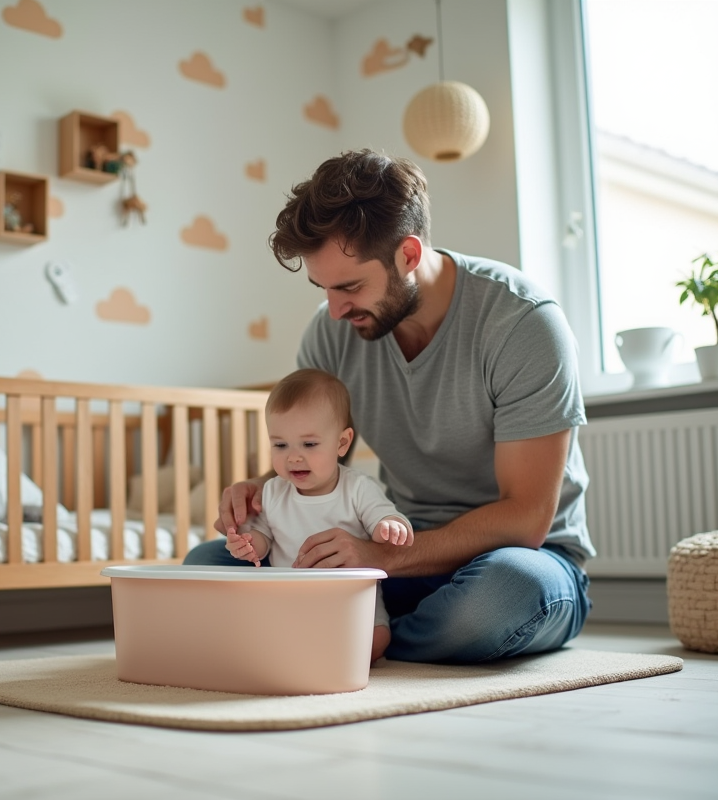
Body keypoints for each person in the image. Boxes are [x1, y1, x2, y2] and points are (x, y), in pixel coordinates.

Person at [184, 148, 596, 664]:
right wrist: (269, 494)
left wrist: (381, 557)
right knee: (205, 562)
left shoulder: (523, 324)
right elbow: (325, 465)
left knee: (500, 596)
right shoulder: (332, 333)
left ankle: (344, 638)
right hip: (394, 553)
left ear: (408, 254)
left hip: (523, 560)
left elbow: (527, 517)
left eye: (350, 286)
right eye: (324, 289)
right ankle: (376, 639)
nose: (334, 310)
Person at [224, 368, 413, 662]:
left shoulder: (358, 488)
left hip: (350, 603)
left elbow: (384, 516)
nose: (294, 456)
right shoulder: (273, 492)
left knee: (376, 639)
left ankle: (338, 656)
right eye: (280, 445)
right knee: (260, 628)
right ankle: (300, 654)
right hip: (290, 602)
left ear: (342, 443)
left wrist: (390, 527)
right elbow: (262, 540)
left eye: (309, 444)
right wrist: (247, 544)